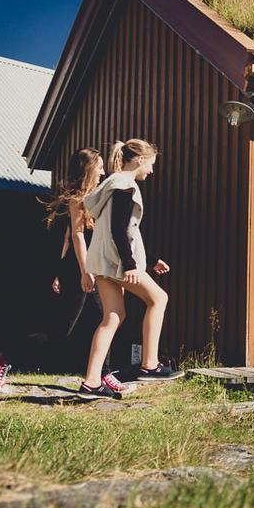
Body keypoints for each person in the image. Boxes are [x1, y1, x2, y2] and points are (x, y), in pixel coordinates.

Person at [0, 148, 128, 395]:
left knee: (106, 319)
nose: (103, 171)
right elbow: (77, 238)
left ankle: (103, 374)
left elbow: (68, 240)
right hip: (80, 269)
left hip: (89, 268)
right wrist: (82, 271)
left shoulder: (95, 198)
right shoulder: (78, 199)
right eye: (99, 167)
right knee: (59, 330)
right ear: (89, 169)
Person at [78, 139, 180, 398]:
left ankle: (91, 382)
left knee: (112, 317)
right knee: (159, 299)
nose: (152, 171)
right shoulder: (125, 185)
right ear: (140, 160)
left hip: (102, 261)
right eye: (152, 165)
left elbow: (122, 229)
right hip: (117, 262)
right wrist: (131, 265)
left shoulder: (110, 184)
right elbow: (118, 230)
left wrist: (151, 259)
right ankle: (150, 364)